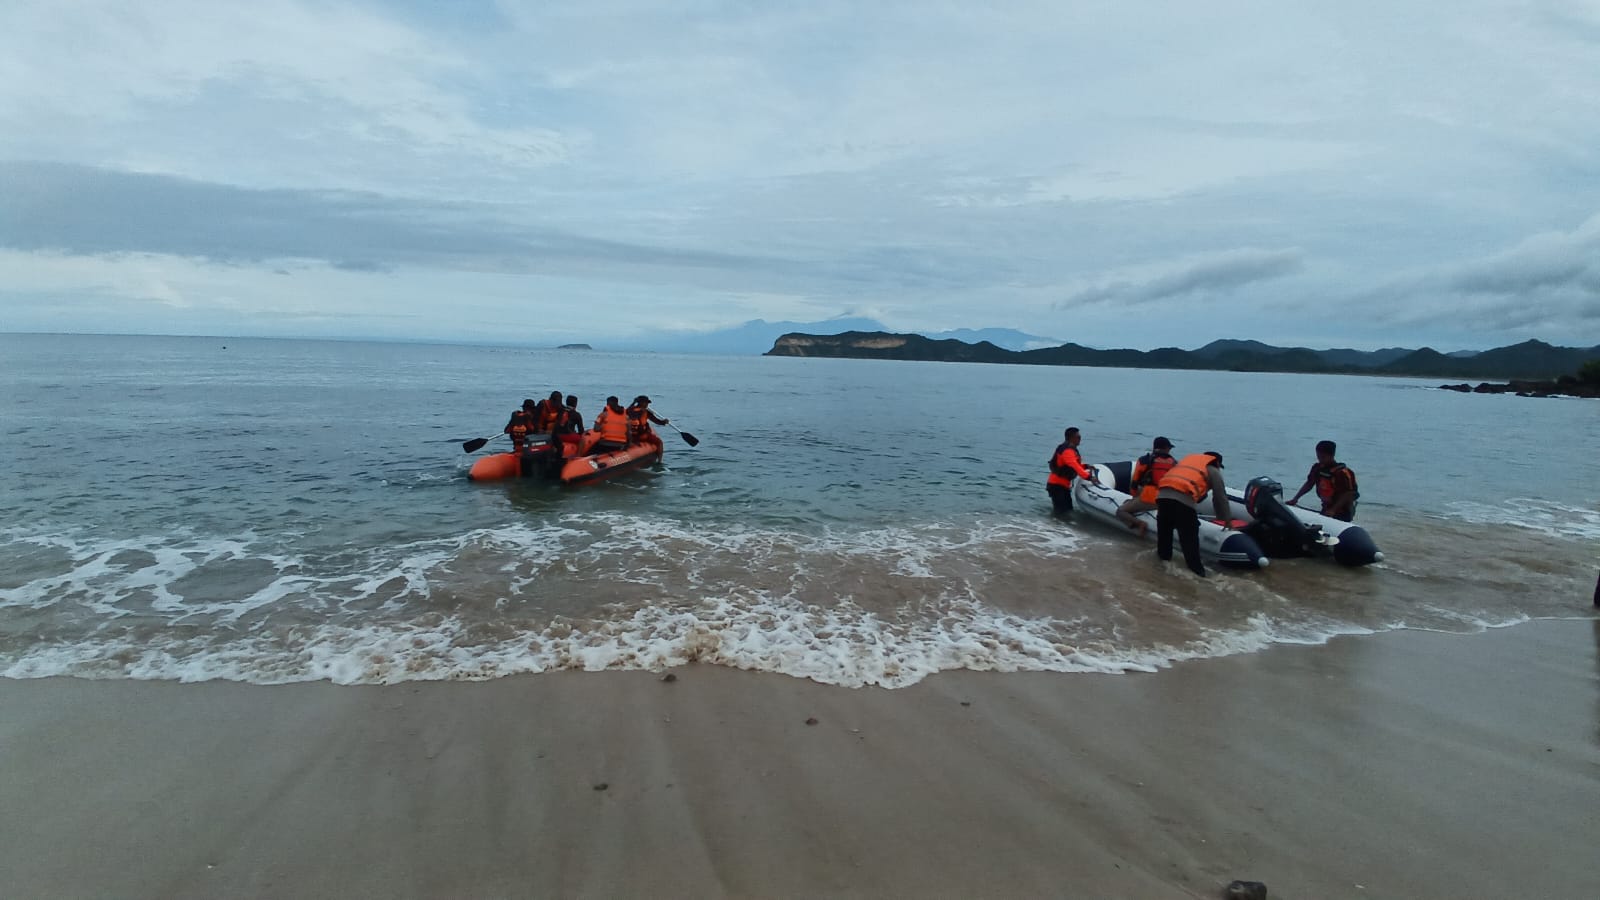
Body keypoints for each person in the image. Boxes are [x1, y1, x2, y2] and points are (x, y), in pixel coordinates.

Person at [1156, 451, 1232, 577]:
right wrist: (1226, 520)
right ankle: (1198, 573)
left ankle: (1160, 568)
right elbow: (1220, 497)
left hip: (1162, 497)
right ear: (1217, 463)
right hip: (1182, 501)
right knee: (1189, 540)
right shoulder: (1213, 470)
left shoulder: (1186, 464)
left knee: (1165, 536)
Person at [1116, 436, 1176, 537]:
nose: (1170, 450)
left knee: (1121, 511)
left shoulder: (1145, 460)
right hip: (1167, 500)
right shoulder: (1174, 463)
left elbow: (1135, 483)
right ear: (1165, 448)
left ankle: (1139, 523)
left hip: (1150, 499)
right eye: (1169, 447)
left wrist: (1134, 498)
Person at [1287, 440, 1359, 521]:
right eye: (1318, 456)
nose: (1320, 459)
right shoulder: (1317, 468)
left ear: (1332, 455)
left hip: (1343, 511)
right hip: (1326, 507)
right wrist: (1295, 499)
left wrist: (1333, 510)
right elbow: (1309, 483)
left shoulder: (1342, 473)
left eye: (1323, 457)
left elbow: (1348, 494)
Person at [1046, 426, 1099, 516]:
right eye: (1078, 437)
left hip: (1062, 486)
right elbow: (1075, 466)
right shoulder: (1067, 451)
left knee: (1067, 511)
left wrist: (1085, 466)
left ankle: (1056, 523)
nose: (1080, 439)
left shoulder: (1070, 449)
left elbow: (1072, 465)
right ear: (1071, 438)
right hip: (1057, 486)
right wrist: (1089, 477)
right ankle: (1053, 524)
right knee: (1062, 512)